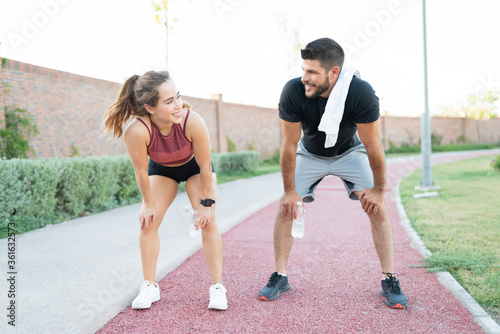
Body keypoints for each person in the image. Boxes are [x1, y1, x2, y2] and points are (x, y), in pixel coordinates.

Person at [258, 38, 408, 309]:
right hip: (309, 154)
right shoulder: (293, 91)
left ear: (334, 72)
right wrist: (290, 191)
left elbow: (373, 145)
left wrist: (379, 191)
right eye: (304, 70)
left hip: (349, 154)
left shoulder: (360, 93)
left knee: (378, 208)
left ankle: (390, 278)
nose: (305, 78)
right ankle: (280, 275)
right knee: (286, 207)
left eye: (312, 72)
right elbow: (289, 144)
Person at [103, 71, 227, 310]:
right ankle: (150, 286)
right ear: (150, 108)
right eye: (169, 102)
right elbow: (141, 172)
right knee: (148, 222)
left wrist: (207, 205)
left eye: (178, 97)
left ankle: (218, 286)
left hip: (194, 169)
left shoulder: (193, 121)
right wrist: (147, 204)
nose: (178, 105)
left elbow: (205, 167)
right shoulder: (137, 130)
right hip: (162, 170)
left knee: (208, 221)